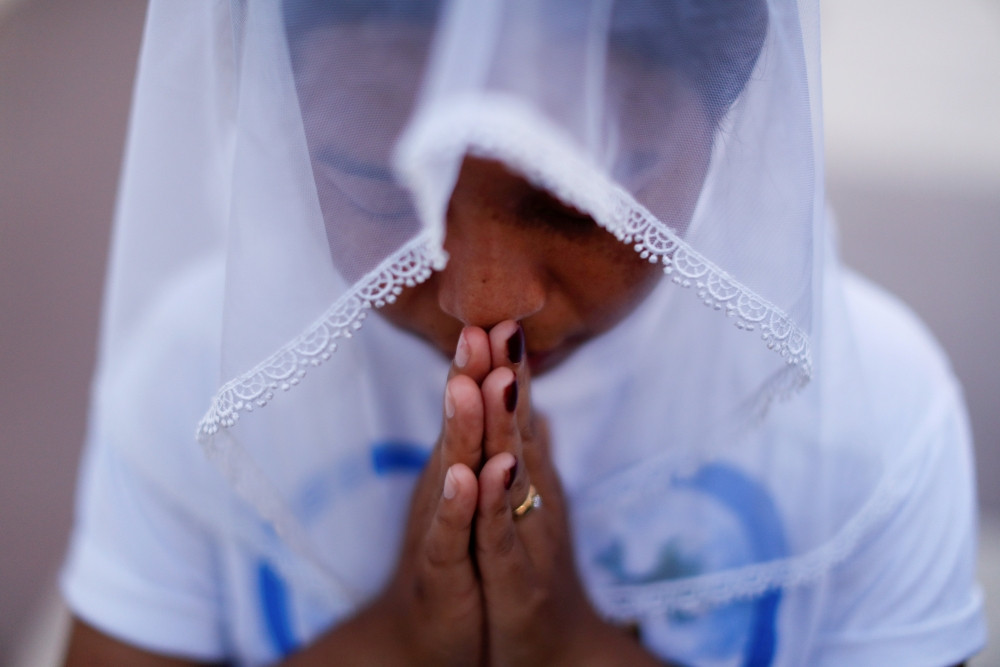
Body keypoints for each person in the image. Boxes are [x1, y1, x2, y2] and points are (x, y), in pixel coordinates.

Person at [61, 1, 986, 665]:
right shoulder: (196, 381)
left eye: (575, 196)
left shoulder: (876, 422)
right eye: (380, 186)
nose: (481, 296)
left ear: (735, 97)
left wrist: (568, 645)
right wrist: (401, 639)